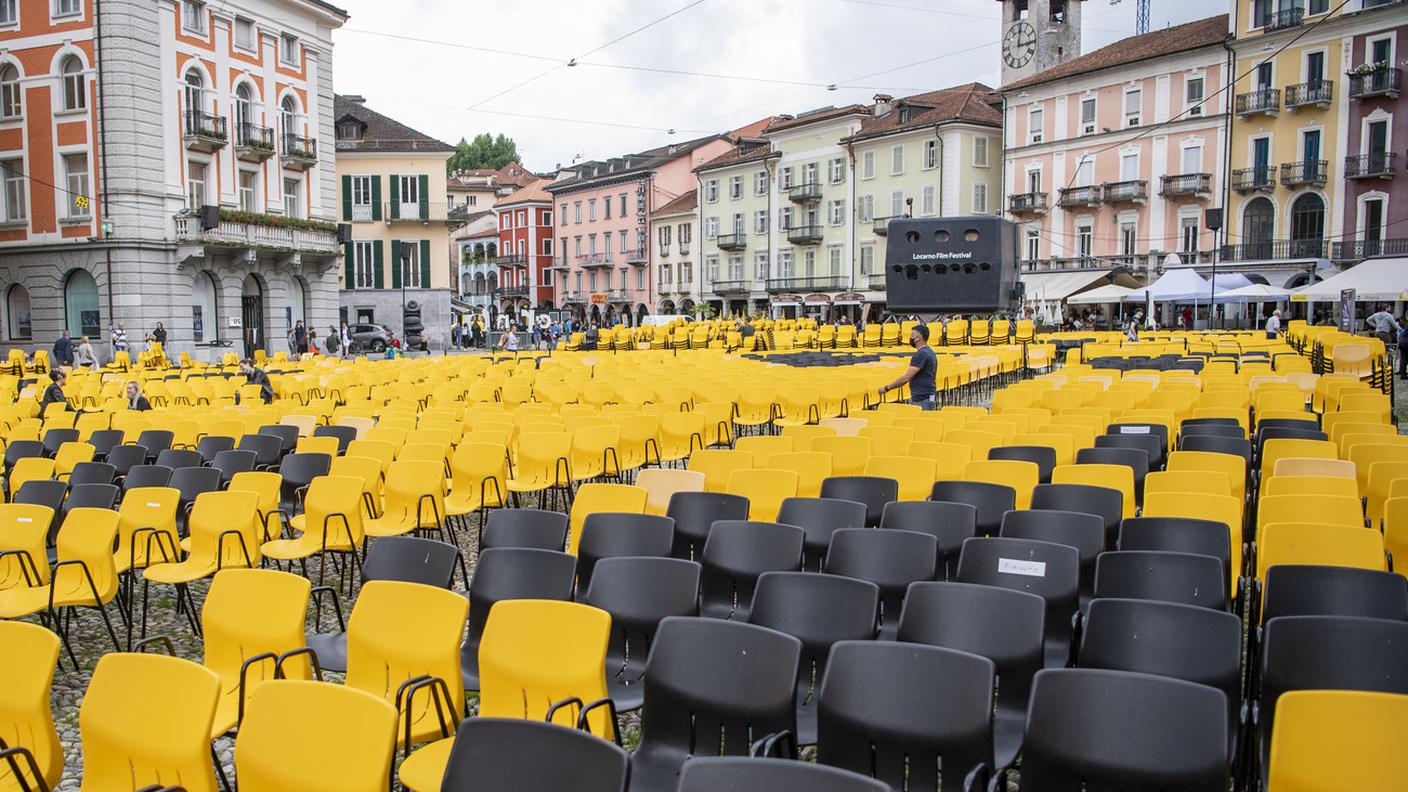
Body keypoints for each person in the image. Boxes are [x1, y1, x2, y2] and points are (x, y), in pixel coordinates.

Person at [878, 324, 938, 410]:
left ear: (918, 338)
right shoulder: (930, 352)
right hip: (927, 396)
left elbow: (906, 378)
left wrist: (887, 388)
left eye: (912, 336)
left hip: (922, 399)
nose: (910, 338)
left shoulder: (922, 354)